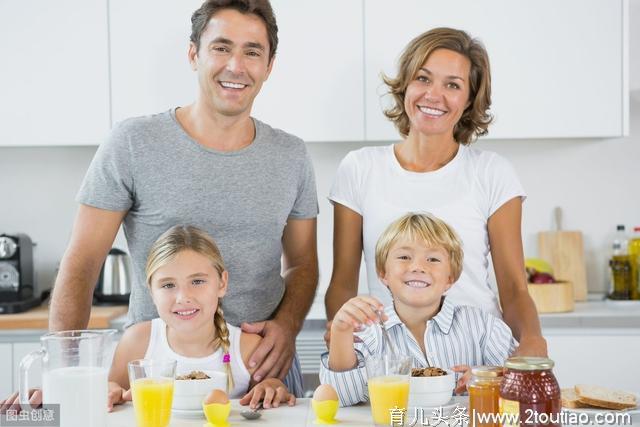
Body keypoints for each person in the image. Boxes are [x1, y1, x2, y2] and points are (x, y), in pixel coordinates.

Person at [49, 0, 318, 396]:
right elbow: (82, 263)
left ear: (269, 65)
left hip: (263, 375)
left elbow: (303, 265)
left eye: (252, 52)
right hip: (159, 375)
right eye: (221, 47)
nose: (236, 66)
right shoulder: (132, 143)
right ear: (194, 54)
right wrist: (65, 376)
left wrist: (288, 325)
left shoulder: (291, 155)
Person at [324, 27, 546, 356]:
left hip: (476, 358)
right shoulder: (359, 169)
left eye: (452, 85)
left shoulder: (492, 173)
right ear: (405, 85)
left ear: (470, 99)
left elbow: (513, 288)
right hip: (392, 358)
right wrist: (343, 335)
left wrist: (532, 342)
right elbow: (343, 281)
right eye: (423, 79)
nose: (433, 95)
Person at [1, 226, 296, 411]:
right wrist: (109, 391)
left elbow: (277, 395)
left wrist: (274, 389)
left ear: (222, 283)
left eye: (197, 281)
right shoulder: (139, 342)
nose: (183, 297)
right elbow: (108, 394)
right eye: (168, 285)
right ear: (150, 291)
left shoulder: (247, 347)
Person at [320, 213, 516, 406]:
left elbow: (523, 384)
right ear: (383, 273)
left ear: (450, 278)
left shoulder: (483, 326)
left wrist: (491, 378)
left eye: (433, 259)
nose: (417, 267)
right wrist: (341, 331)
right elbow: (342, 397)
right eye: (404, 256)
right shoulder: (367, 332)